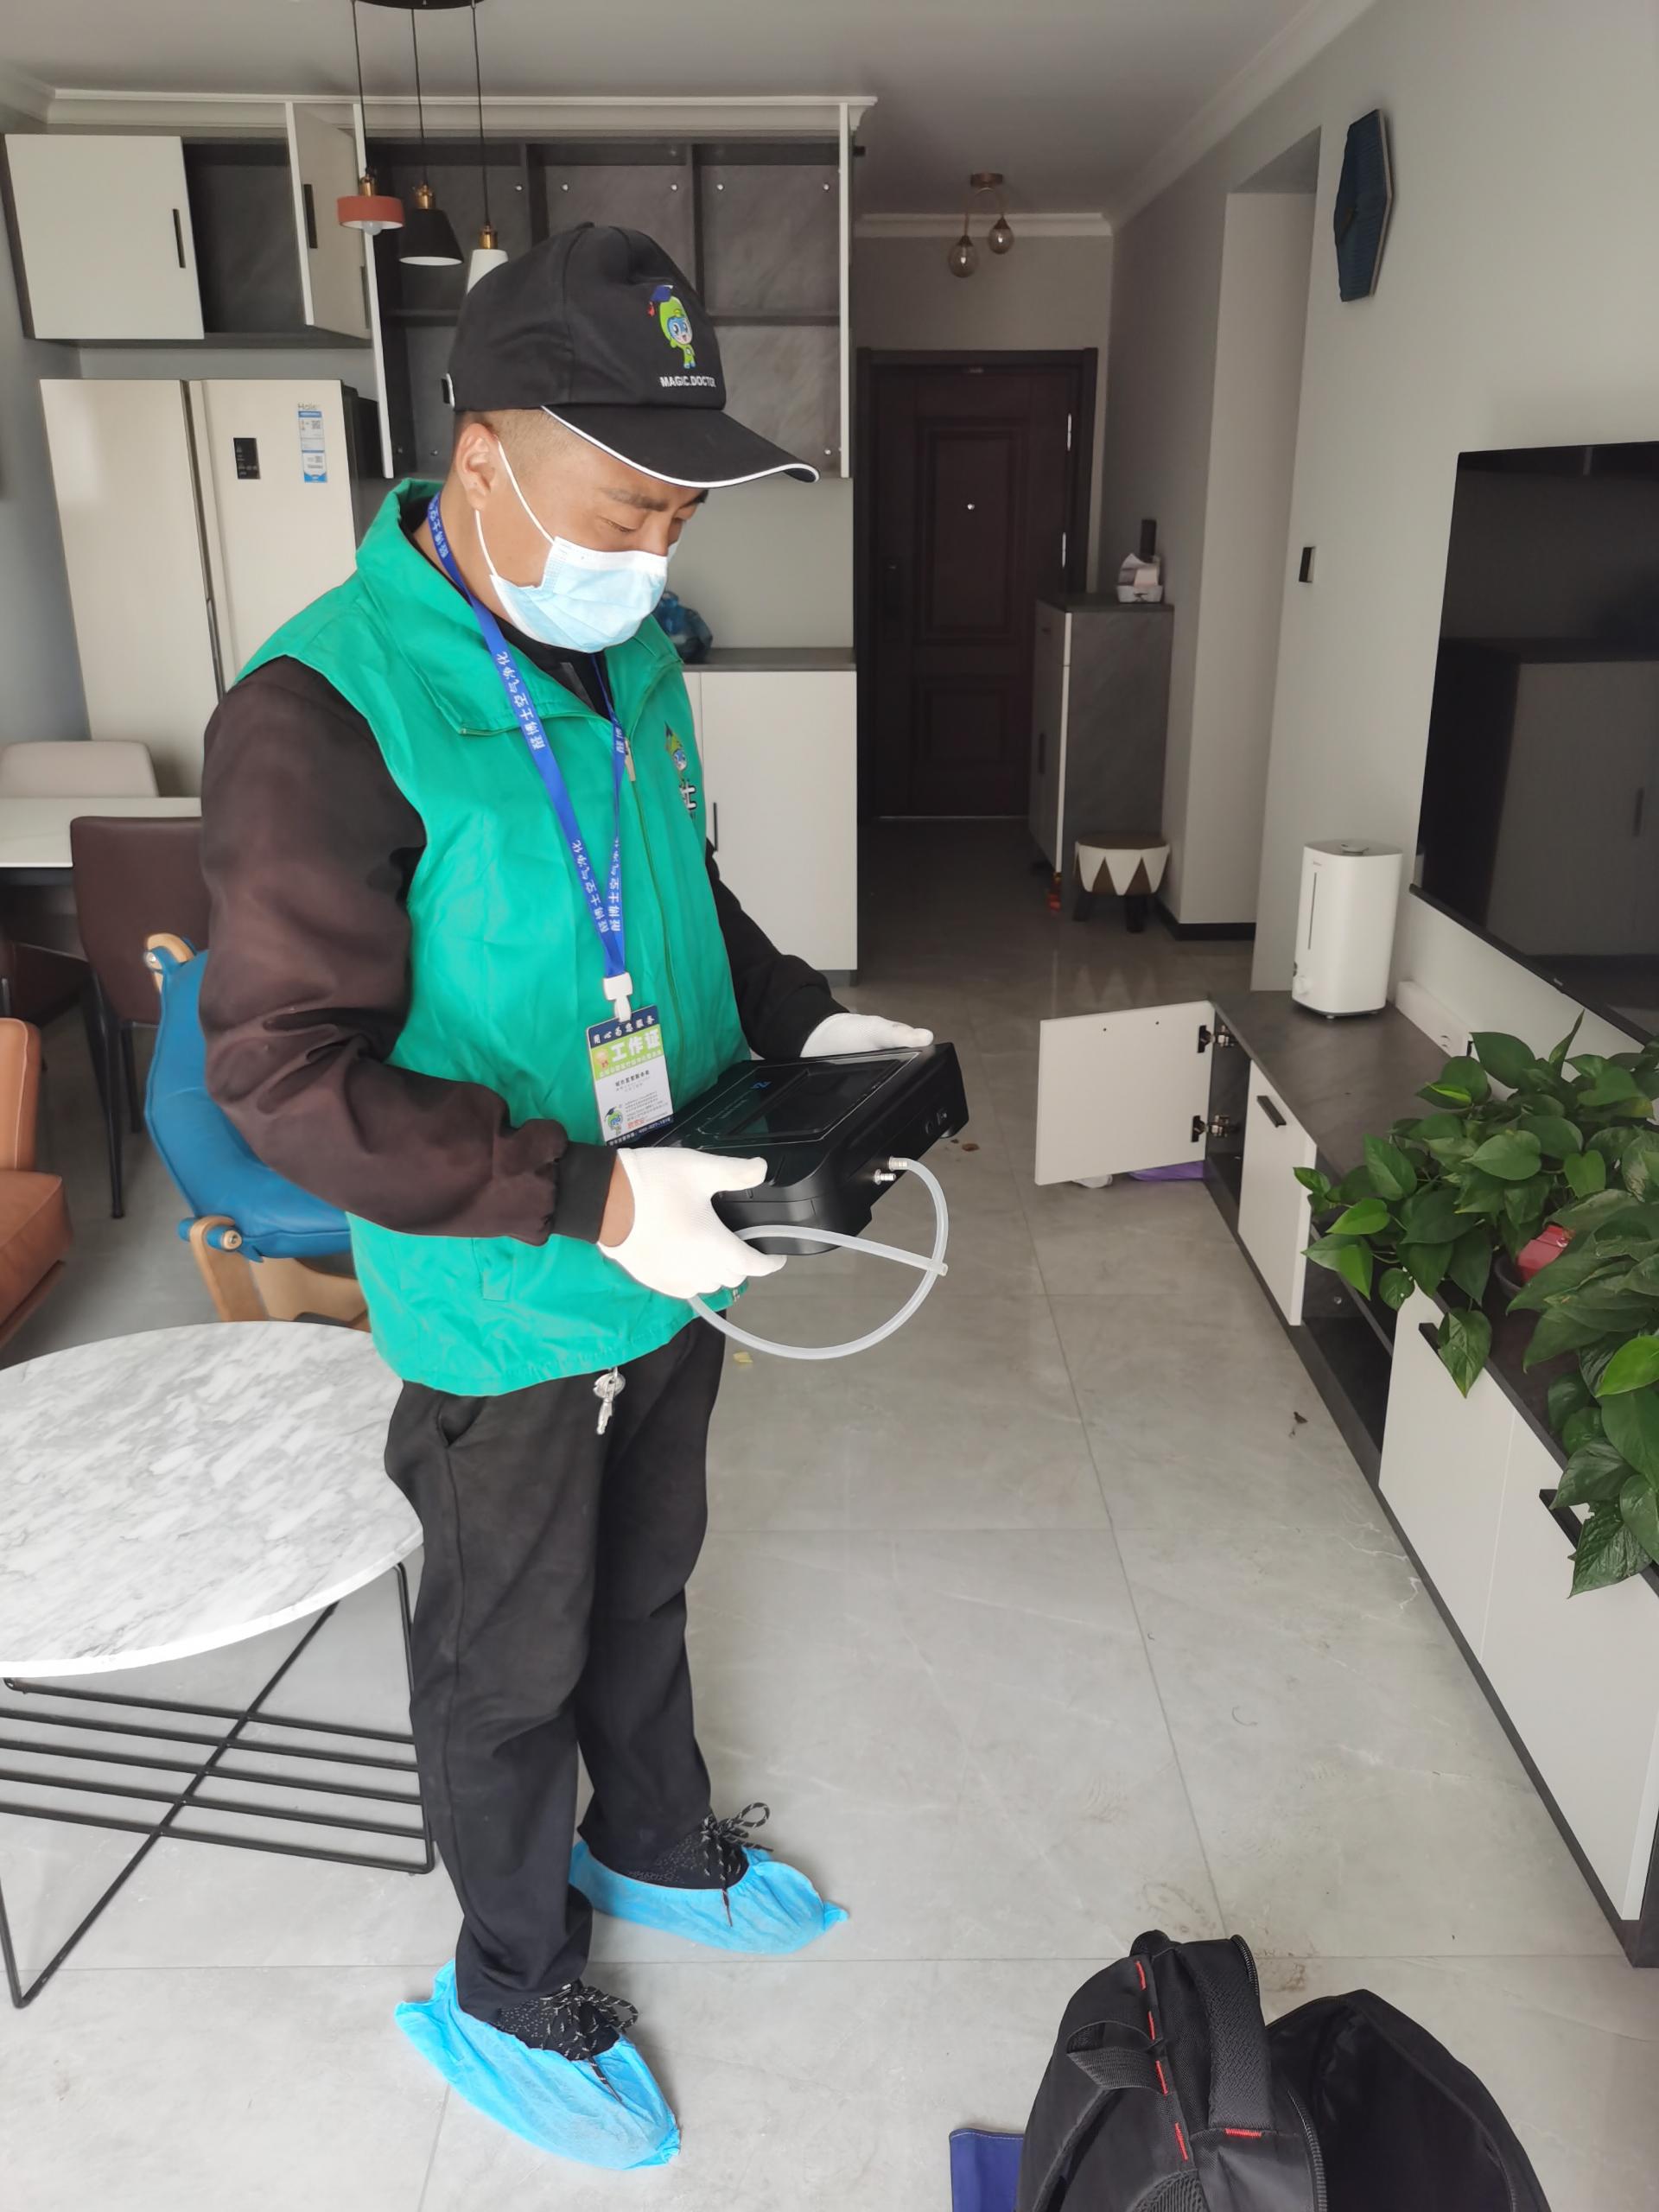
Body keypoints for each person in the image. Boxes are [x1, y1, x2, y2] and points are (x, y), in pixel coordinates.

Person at [198, 224, 930, 2167]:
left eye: (683, 512)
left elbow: (678, 894)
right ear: (485, 454)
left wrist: (811, 1019)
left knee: (648, 1572)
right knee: (504, 1659)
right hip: (512, 1281)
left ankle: (655, 1836)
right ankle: (511, 1980)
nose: (658, 548)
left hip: (678, 1240)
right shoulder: (322, 710)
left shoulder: (627, 650)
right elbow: (281, 1071)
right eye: (629, 503)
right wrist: (589, 1197)